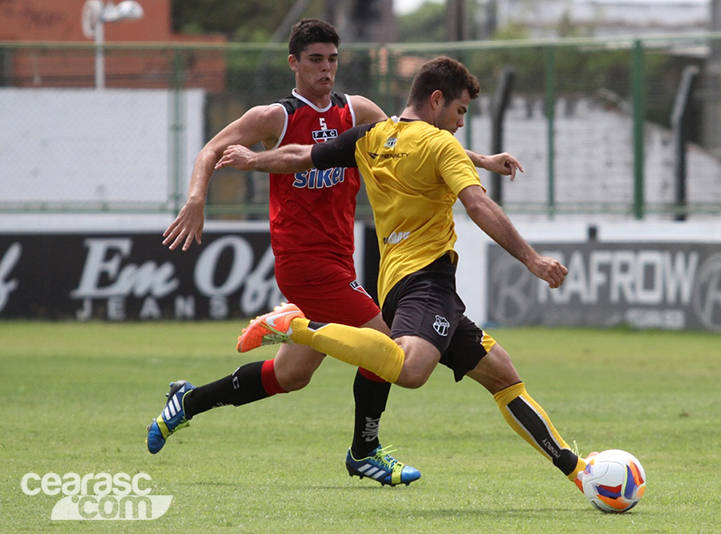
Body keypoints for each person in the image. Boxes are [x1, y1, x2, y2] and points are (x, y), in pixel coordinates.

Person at [148, 19, 522, 487]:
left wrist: (482, 160)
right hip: (303, 263)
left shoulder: (356, 110)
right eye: (315, 60)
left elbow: (413, 143)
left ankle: (187, 401)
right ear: (294, 64)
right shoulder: (275, 117)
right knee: (387, 347)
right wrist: (197, 199)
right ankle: (364, 451)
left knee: (291, 375)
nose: (326, 69)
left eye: (332, 60)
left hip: (339, 260)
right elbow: (211, 150)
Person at [220, 56, 592, 494]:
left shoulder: (373, 136)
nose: (459, 123)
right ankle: (297, 327)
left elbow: (302, 156)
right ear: (436, 101)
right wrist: (532, 259)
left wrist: (251, 160)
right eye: (459, 111)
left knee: (504, 376)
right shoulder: (439, 145)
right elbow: (477, 204)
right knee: (412, 371)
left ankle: (579, 472)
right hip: (426, 282)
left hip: (402, 286)